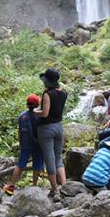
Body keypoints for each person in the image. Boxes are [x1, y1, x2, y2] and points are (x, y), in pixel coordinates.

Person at [35, 68, 68, 199]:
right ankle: (65, 186)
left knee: (49, 158)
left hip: (46, 129)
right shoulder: (64, 93)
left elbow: (45, 113)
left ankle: (54, 189)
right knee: (58, 158)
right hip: (59, 127)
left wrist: (33, 112)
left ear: (47, 82)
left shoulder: (47, 94)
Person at [2, 94, 44, 195]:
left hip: (25, 143)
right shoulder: (39, 116)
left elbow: (20, 131)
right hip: (37, 144)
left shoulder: (22, 116)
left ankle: (11, 186)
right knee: (37, 164)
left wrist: (21, 142)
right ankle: (34, 185)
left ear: (27, 104)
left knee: (20, 165)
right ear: (37, 104)